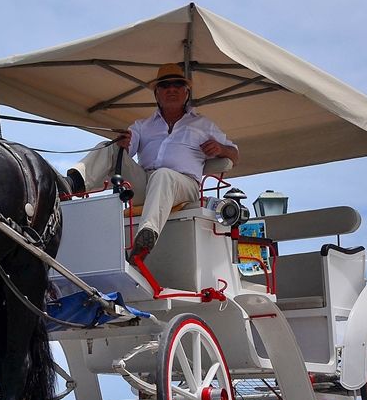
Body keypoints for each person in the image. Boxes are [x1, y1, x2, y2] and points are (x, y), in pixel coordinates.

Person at [66, 63, 239, 266]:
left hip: (184, 185)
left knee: (163, 175)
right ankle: (72, 183)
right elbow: (125, 152)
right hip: (146, 184)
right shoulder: (142, 126)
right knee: (109, 146)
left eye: (177, 85)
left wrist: (221, 148)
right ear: (157, 93)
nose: (171, 89)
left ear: (186, 92)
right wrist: (123, 143)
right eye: (165, 85)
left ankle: (146, 237)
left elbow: (234, 154)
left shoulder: (203, 124)